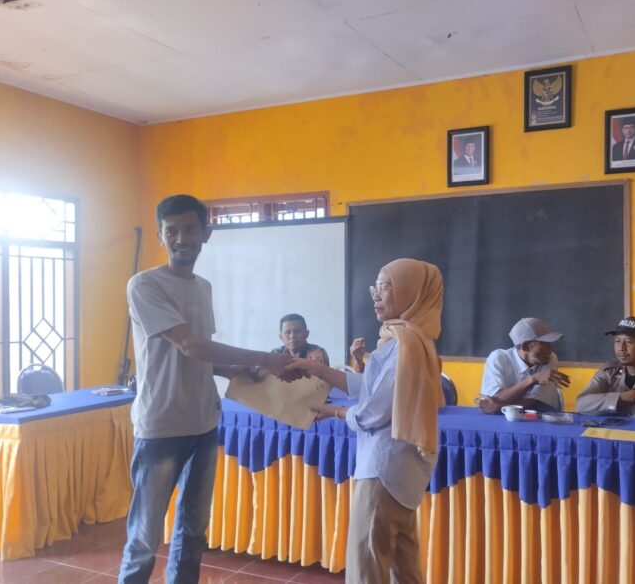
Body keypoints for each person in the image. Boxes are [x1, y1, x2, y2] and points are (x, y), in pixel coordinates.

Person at [119, 195, 297, 584]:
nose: (181, 239)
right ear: (160, 236)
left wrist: (237, 370)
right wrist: (265, 358)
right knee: (145, 537)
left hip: (204, 425)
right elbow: (189, 345)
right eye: (172, 231)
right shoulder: (144, 285)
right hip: (161, 427)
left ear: (206, 234)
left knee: (193, 532)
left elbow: (200, 355)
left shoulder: (203, 287)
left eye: (190, 229)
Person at [289, 258, 444, 584]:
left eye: (385, 287)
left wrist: (335, 412)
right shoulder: (408, 338)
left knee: (366, 566)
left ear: (410, 293)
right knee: (403, 565)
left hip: (382, 469)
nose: (376, 295)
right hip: (398, 468)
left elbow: (374, 411)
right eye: (376, 287)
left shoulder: (404, 345)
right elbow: (369, 387)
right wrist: (318, 370)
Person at [475, 317, 570, 414]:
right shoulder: (499, 358)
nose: (550, 348)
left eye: (550, 343)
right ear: (525, 347)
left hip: (536, 419)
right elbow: (494, 398)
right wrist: (532, 379)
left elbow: (534, 401)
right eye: (544, 343)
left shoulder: (550, 358)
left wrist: (498, 407)